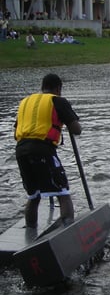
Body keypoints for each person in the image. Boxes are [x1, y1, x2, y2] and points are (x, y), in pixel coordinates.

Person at [14, 73, 82, 228]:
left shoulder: (25, 102)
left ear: (42, 87)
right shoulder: (57, 100)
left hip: (21, 151)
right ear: (58, 88)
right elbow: (76, 129)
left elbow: (16, 131)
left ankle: (30, 231)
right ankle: (68, 228)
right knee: (63, 192)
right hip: (43, 150)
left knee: (34, 195)